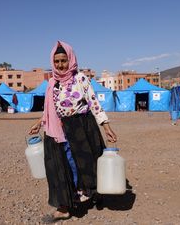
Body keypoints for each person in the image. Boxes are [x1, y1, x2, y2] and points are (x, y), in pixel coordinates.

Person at [29, 41, 117, 221]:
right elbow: (50, 108)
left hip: (81, 127)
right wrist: (40, 122)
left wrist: (106, 126)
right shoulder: (52, 83)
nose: (60, 65)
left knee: (88, 162)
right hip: (59, 131)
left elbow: (94, 103)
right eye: (57, 61)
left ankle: (96, 194)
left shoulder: (81, 79)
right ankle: (65, 206)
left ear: (71, 59)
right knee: (62, 166)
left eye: (63, 60)